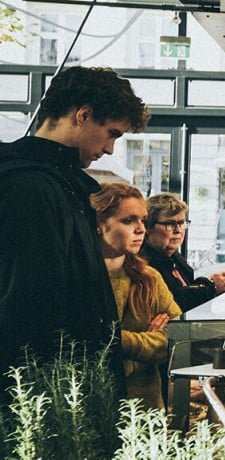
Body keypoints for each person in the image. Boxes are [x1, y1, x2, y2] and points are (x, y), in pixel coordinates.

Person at [0, 67, 148, 398]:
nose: (110, 149)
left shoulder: (52, 183)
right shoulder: (32, 188)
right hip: (48, 397)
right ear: (83, 115)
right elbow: (28, 306)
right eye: (111, 133)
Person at [92, 183, 182, 409]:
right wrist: (146, 343)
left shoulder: (149, 278)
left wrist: (118, 340)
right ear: (99, 224)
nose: (141, 229)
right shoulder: (80, 279)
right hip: (94, 407)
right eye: (128, 220)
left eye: (142, 220)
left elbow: (176, 340)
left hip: (145, 408)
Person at [141, 193, 225, 312]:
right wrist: (211, 286)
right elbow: (171, 300)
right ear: (148, 227)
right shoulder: (142, 263)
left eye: (181, 223)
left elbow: (187, 289)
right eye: (169, 224)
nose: (178, 230)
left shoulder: (175, 257)